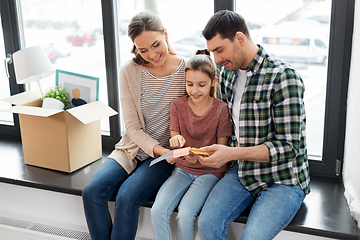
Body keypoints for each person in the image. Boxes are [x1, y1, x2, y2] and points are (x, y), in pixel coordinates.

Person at [197, 10, 311, 240]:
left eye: (219, 50)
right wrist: (200, 151)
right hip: (243, 172)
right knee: (207, 223)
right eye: (213, 52)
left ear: (240, 39)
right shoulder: (228, 75)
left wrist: (230, 154)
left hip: (283, 179)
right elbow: (227, 128)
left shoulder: (283, 78)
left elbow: (289, 148)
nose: (216, 59)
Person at [82, 11, 187, 240]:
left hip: (165, 156)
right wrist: (159, 150)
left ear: (166, 34)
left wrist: (167, 151)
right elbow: (132, 127)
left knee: (127, 196)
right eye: (143, 50)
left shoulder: (186, 70)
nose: (152, 54)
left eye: (156, 44)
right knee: (91, 192)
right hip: (133, 148)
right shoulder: (129, 71)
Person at [151, 49, 232, 240]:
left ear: (213, 82)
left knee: (186, 214)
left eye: (201, 85)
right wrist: (175, 143)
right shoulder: (177, 105)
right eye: (190, 84)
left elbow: (221, 156)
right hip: (182, 170)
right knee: (157, 211)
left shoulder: (221, 110)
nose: (194, 90)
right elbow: (175, 142)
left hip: (210, 172)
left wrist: (199, 158)